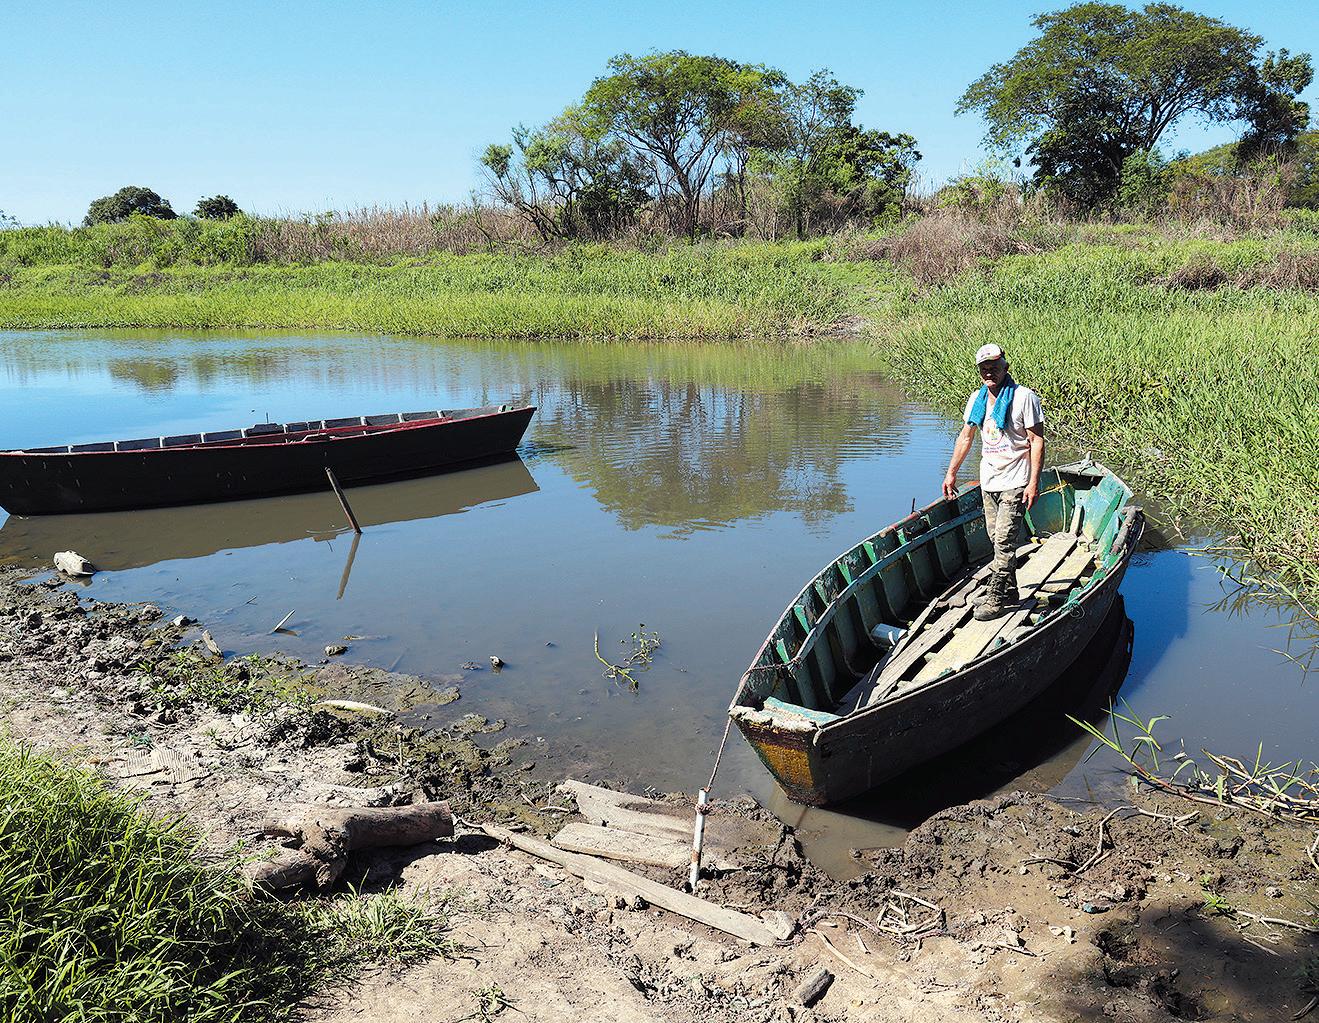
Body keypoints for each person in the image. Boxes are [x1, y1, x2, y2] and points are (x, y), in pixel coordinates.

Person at [941, 343, 1045, 620]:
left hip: (1016, 480)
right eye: (985, 369)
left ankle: (996, 597)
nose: (990, 373)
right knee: (994, 538)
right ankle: (1010, 590)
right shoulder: (977, 399)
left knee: (1004, 542)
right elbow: (966, 437)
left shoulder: (1024, 398)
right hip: (989, 481)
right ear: (979, 371)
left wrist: (1033, 482)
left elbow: (1036, 441)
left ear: (1006, 368)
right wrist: (951, 472)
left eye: (995, 368)